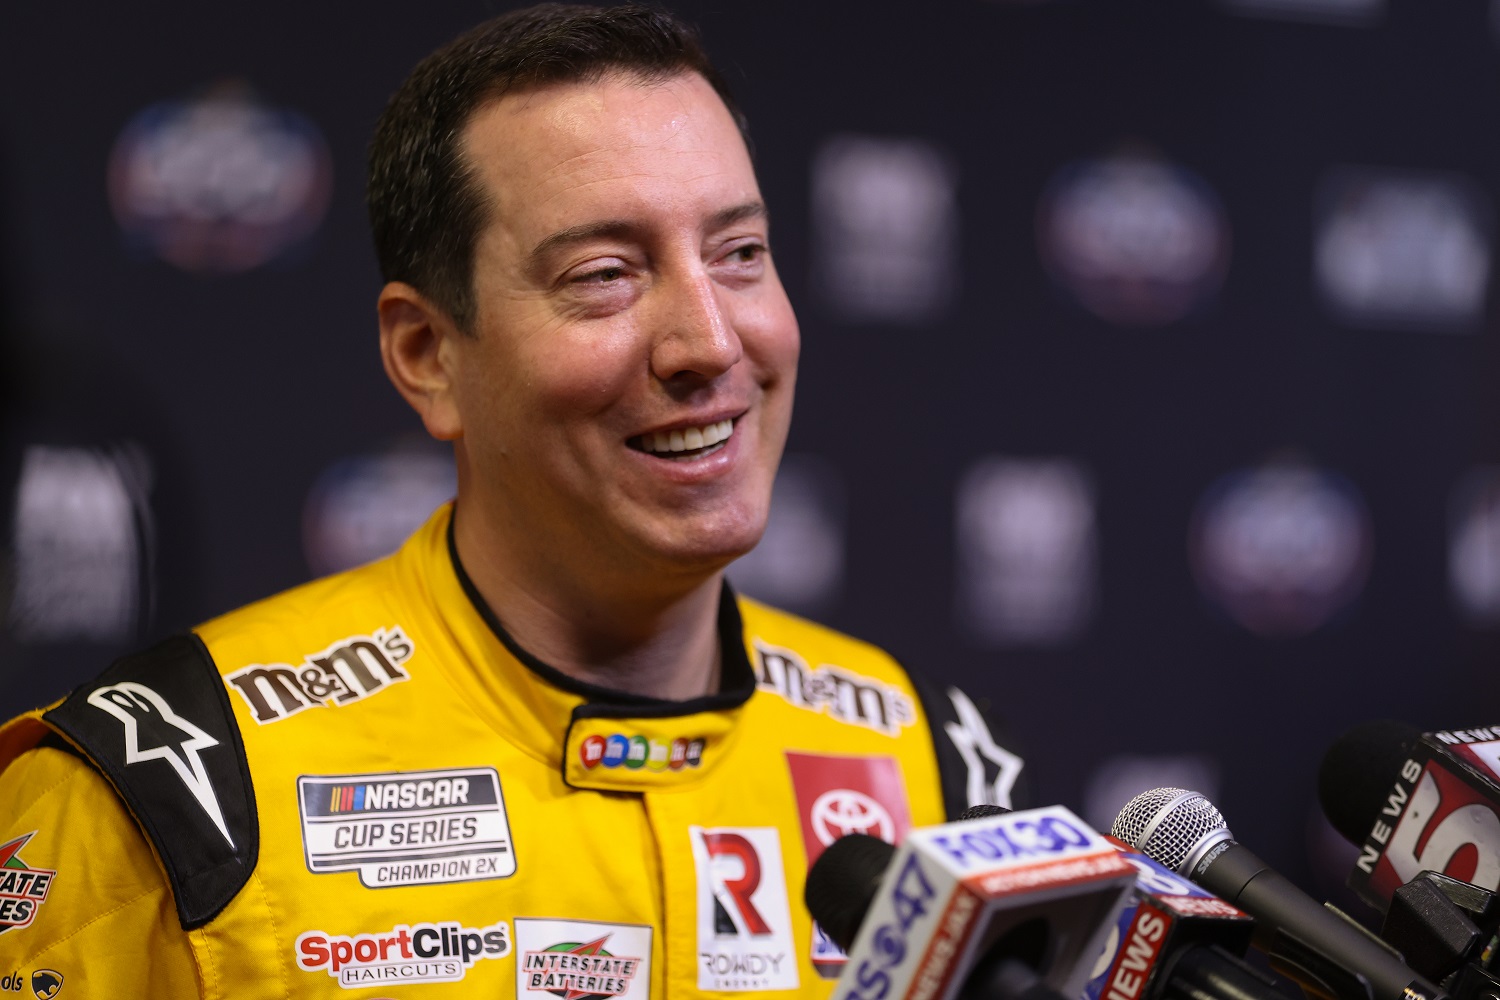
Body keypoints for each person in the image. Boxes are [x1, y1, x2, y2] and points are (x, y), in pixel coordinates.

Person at [0, 5, 1026, 995]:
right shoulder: (166, 790)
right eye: (606, 273)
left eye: (740, 254)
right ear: (426, 354)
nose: (711, 342)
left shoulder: (927, 762)